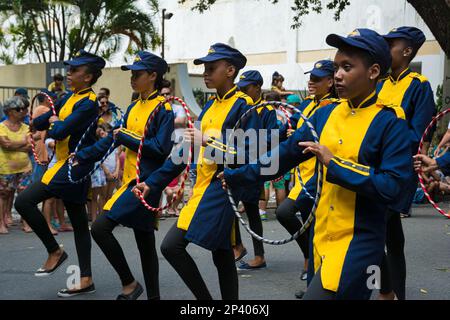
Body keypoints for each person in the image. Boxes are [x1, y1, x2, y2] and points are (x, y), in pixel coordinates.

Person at [220, 29, 413, 300]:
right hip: (320, 240)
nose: (338, 75)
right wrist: (239, 175)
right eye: (336, 67)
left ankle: (387, 290)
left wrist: (335, 165)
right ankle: (386, 291)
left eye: (347, 67)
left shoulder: (391, 123)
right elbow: (283, 156)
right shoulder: (324, 115)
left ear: (373, 72)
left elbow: (393, 187)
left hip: (359, 245)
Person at [133, 43, 260, 300]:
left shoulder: (244, 105)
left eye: (212, 67)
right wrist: (153, 183)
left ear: (231, 70)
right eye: (204, 67)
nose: (206, 72)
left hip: (222, 187)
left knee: (172, 246)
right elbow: (183, 154)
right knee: (222, 253)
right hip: (201, 187)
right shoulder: (210, 107)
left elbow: (250, 155)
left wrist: (208, 141)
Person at [75, 51, 174, 300]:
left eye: (137, 74)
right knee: (144, 244)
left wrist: (126, 137)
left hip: (146, 185)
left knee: (100, 228)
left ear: (153, 76)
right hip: (127, 182)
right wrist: (83, 155)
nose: (132, 78)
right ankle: (147, 293)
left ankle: (130, 284)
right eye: (132, 74)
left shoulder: (166, 109)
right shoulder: (133, 106)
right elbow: (113, 140)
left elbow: (161, 150)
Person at [14, 49, 105, 297]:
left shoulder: (88, 103)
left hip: (73, 167)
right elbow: (45, 123)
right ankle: (85, 279)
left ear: (87, 77)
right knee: (78, 223)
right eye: (70, 69)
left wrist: (52, 123)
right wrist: (45, 121)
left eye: (74, 70)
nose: (68, 73)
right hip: (64, 165)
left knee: (23, 201)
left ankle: (55, 251)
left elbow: (61, 130)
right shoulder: (69, 98)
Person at [377, 26, 436, 300]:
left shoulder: (419, 85)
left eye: (391, 45)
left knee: (373, 231)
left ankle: (386, 291)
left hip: (399, 169)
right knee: (391, 236)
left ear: (407, 51)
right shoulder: (381, 83)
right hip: (375, 166)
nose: (386, 49)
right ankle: (394, 292)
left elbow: (418, 133)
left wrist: (386, 136)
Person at [233, 70, 278, 270]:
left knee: (251, 211)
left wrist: (250, 142)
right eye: (239, 88)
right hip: (235, 164)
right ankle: (237, 245)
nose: (241, 92)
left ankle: (259, 255)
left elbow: (272, 138)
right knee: (228, 207)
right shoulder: (239, 107)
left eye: (245, 88)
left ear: (258, 88)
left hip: (254, 166)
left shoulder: (267, 110)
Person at [0, 97, 33, 234]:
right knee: (3, 195)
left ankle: (25, 222)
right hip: (6, 168)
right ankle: (1, 223)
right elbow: (5, 144)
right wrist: (22, 143)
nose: (23, 111)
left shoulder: (26, 127)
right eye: (19, 109)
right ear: (9, 111)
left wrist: (13, 145)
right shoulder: (1, 127)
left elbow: (30, 146)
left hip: (25, 167)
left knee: (24, 195)